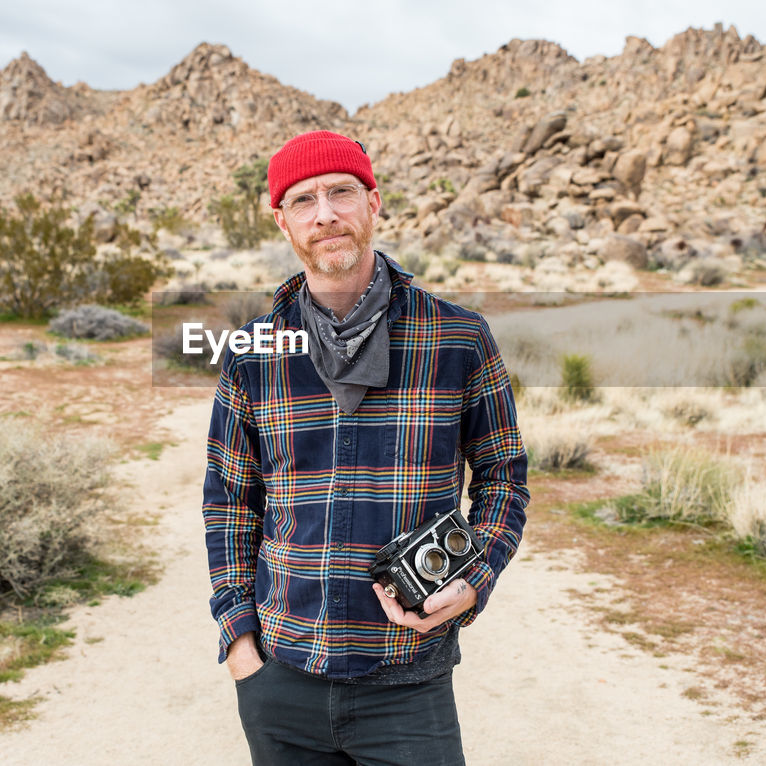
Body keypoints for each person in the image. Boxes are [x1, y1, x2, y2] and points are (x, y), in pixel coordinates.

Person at [203, 130, 529, 765]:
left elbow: (503, 478)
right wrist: (240, 642)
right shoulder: (252, 352)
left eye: (340, 193)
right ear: (283, 221)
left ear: (373, 203)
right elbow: (229, 504)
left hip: (409, 679)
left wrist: (475, 580)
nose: (324, 214)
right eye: (303, 201)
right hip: (281, 674)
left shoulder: (457, 337)